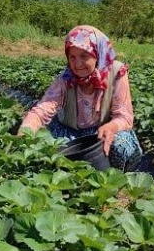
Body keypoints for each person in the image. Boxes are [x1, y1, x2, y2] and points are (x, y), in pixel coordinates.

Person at [18, 25, 142, 172]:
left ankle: (115, 178)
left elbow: (124, 117)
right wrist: (24, 133)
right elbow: (42, 109)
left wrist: (111, 127)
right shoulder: (66, 79)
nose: (77, 64)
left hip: (103, 131)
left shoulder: (115, 72)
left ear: (97, 53)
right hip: (69, 132)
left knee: (120, 144)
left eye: (84, 56)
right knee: (48, 149)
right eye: (72, 57)